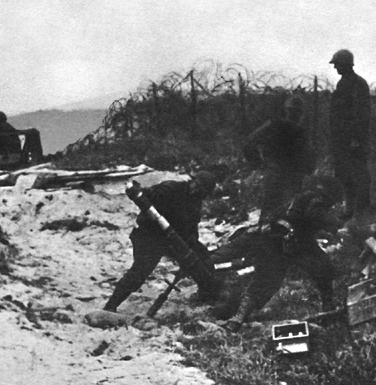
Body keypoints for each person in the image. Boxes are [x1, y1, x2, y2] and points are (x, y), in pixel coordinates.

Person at [214, 175, 344, 333]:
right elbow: (313, 216)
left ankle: (237, 318)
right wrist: (334, 225)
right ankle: (236, 317)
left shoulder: (304, 197)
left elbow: (303, 219)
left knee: (269, 280)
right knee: (270, 280)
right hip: (285, 241)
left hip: (286, 240)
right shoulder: (316, 201)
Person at [103, 171, 219, 313]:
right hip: (148, 235)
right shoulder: (171, 189)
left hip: (172, 238)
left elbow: (191, 229)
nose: (196, 190)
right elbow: (145, 195)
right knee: (141, 270)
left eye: (201, 190)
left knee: (203, 258)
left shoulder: (196, 203)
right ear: (192, 181)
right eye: (197, 185)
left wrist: (191, 248)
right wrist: (136, 191)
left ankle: (207, 296)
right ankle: (111, 305)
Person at [242, 97, 315, 223]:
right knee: (288, 217)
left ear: (286, 110)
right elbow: (310, 158)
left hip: (275, 174)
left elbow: (249, 142)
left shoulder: (274, 125)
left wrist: (258, 163)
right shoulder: (301, 132)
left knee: (269, 214)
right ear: (301, 113)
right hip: (292, 178)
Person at [329, 49, 372, 218]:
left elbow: (361, 114)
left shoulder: (357, 84)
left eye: (337, 64)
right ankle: (349, 209)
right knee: (343, 174)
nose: (335, 68)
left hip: (353, 139)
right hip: (342, 138)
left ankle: (361, 209)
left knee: (358, 174)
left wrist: (356, 138)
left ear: (346, 64)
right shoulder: (344, 83)